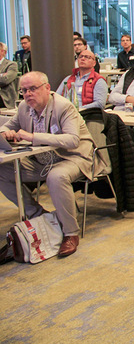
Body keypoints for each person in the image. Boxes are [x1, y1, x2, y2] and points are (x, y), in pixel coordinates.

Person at [0, 71, 101, 257]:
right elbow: (7, 125)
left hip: (73, 157)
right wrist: (6, 132)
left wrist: (32, 137)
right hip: (41, 160)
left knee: (56, 176)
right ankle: (38, 215)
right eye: (24, 90)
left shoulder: (63, 107)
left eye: (33, 89)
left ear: (47, 88)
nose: (28, 94)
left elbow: (72, 140)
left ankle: (70, 233)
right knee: (2, 171)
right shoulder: (24, 107)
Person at [0, 42, 19, 108]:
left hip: (5, 97)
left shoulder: (11, 65)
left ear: (3, 52)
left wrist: (3, 76)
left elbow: (6, 80)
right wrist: (1, 75)